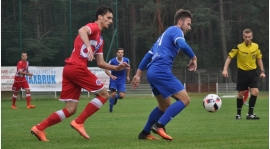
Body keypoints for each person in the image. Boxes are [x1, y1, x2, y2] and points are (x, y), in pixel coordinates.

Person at [30, 5, 129, 141]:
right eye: (108, 17)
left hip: (69, 69)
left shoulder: (100, 39)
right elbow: (81, 30)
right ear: (100, 17)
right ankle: (79, 122)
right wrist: (88, 46)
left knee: (70, 109)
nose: (111, 21)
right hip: (77, 67)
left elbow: (100, 63)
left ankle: (39, 128)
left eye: (112, 19)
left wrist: (116, 68)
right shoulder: (93, 27)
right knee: (105, 94)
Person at [131, 9, 197, 141]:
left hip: (152, 72)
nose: (189, 27)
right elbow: (182, 45)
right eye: (188, 24)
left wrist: (138, 75)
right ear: (180, 22)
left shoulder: (164, 35)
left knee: (164, 105)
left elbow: (148, 55)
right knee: (185, 99)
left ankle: (144, 133)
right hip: (161, 71)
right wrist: (194, 57)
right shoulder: (176, 30)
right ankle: (160, 125)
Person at [222, 28, 266, 120]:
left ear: (252, 37)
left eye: (249, 37)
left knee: (255, 92)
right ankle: (238, 114)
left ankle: (250, 114)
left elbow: (259, 59)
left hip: (253, 72)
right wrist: (225, 69)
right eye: (245, 37)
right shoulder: (238, 47)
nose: (247, 39)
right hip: (242, 73)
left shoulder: (256, 46)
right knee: (241, 94)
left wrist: (262, 71)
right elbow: (229, 57)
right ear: (243, 37)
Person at [105, 48, 130, 112]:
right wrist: (111, 76)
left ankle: (116, 97)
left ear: (123, 54)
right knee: (113, 93)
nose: (120, 53)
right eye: (119, 52)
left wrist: (127, 76)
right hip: (114, 79)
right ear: (116, 53)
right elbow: (106, 69)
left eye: (121, 52)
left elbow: (128, 68)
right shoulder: (112, 61)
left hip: (122, 80)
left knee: (121, 96)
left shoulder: (126, 60)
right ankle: (110, 108)